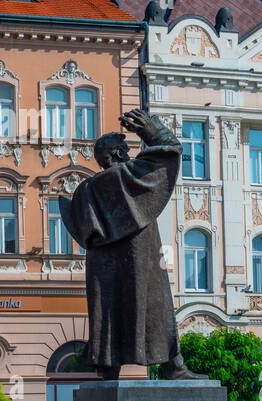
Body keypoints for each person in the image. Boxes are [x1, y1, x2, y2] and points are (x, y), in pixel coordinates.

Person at [58, 109, 200, 380]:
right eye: (125, 149)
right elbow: (170, 150)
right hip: (142, 257)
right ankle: (173, 366)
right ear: (118, 155)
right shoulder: (133, 176)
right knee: (157, 307)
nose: (129, 153)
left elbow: (76, 223)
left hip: (104, 267)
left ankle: (109, 369)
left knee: (108, 312)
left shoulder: (86, 190)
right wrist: (150, 129)